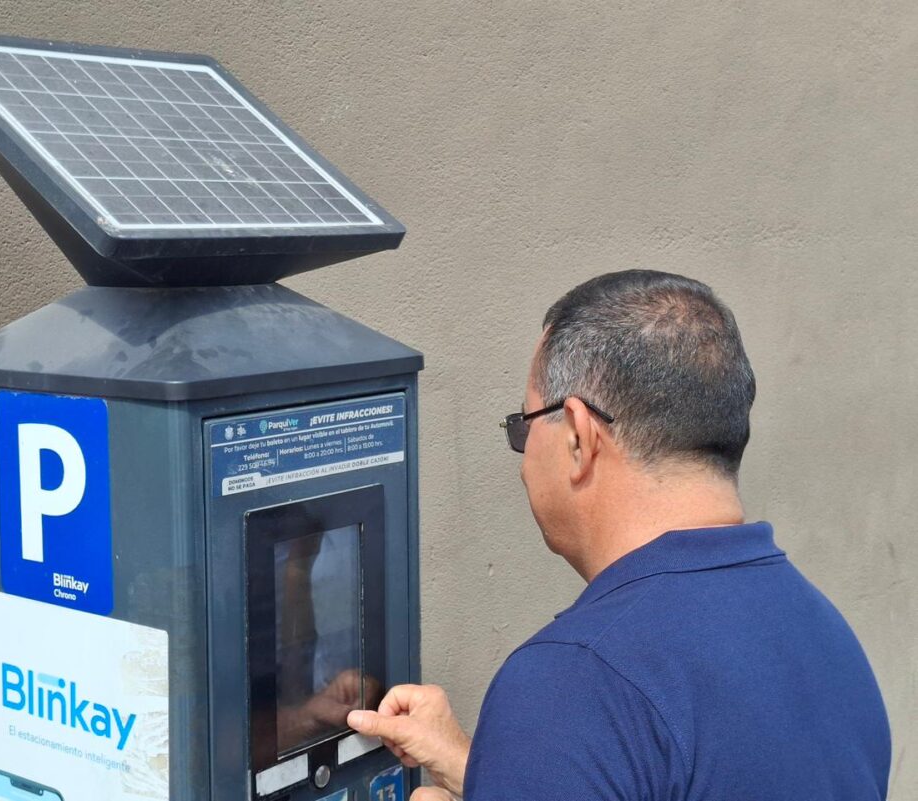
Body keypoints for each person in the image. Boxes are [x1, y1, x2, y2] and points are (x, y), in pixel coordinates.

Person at [347, 270, 891, 800]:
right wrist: (490, 771)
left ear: (579, 436)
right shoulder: (823, 634)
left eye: (523, 425)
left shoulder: (576, 679)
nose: (523, 458)